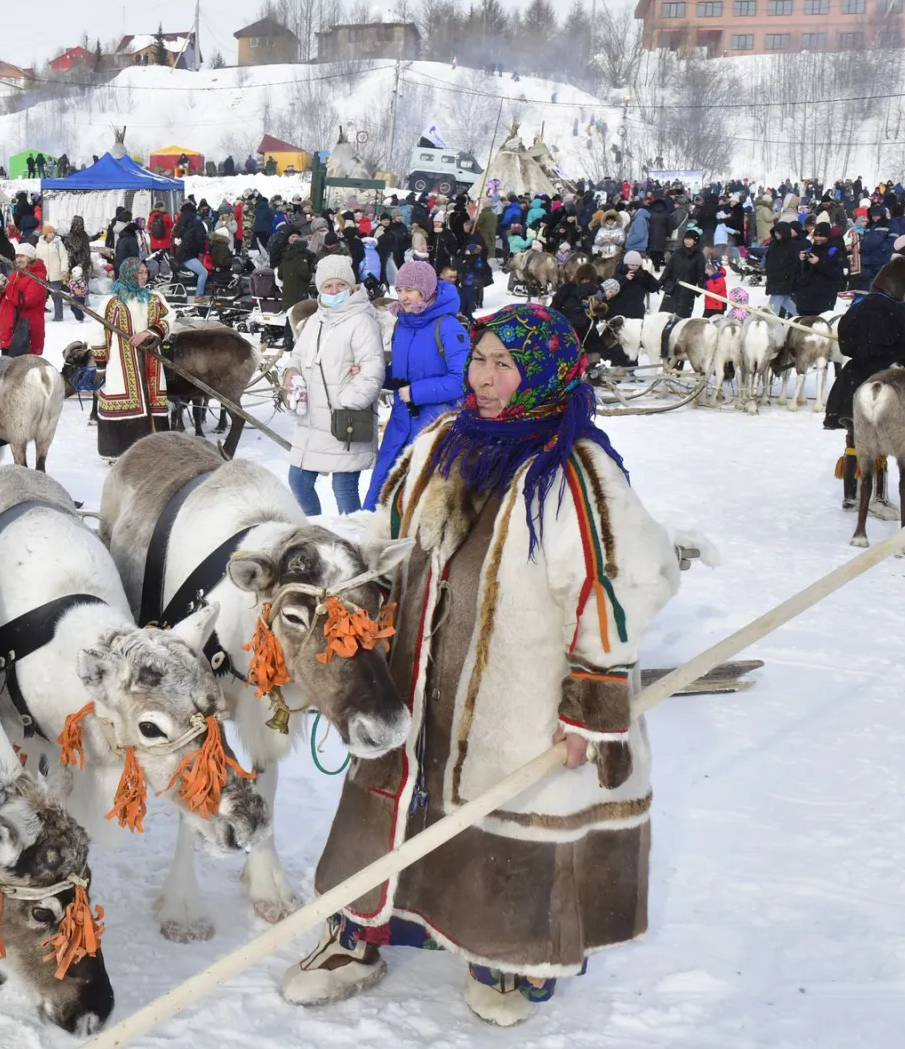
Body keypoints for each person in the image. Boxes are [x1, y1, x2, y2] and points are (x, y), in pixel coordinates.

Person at [284, 304, 675, 1027]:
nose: (485, 378)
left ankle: (505, 954)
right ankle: (358, 933)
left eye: (505, 365)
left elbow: (625, 585)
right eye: (480, 360)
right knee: (390, 800)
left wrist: (588, 708)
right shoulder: (440, 442)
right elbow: (390, 533)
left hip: (516, 700)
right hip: (413, 677)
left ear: (547, 374)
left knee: (500, 823)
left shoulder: (576, 473)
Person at [279, 256, 384, 515]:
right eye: (328, 286)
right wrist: (292, 374)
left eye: (340, 285)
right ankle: (315, 535)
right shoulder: (316, 320)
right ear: (319, 287)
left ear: (350, 286)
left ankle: (352, 541)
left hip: (344, 421)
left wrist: (346, 401)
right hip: (313, 420)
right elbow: (298, 356)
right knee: (299, 481)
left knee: (344, 487)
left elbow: (372, 371)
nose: (334, 291)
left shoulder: (361, 321)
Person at [365, 260, 466, 507]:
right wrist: (371, 374)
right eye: (399, 291)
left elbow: (462, 381)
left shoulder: (448, 326)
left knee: (415, 493)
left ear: (427, 290)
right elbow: (400, 374)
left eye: (410, 290)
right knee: (383, 482)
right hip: (400, 419)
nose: (403, 297)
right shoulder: (403, 323)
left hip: (434, 423)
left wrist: (417, 392)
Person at [827, 260, 905, 509]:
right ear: (897, 284)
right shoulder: (893, 308)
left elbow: (845, 342)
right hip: (883, 380)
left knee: (855, 436)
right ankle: (877, 496)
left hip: (853, 379)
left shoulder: (859, 304)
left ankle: (850, 494)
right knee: (881, 438)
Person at [90, 257, 171, 459]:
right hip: (119, 364)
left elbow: (169, 318)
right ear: (128, 274)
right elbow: (97, 333)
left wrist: (149, 333)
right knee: (123, 399)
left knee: (152, 401)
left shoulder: (155, 298)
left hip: (151, 361)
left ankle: (155, 448)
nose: (142, 277)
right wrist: (100, 366)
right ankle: (119, 451)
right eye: (138, 273)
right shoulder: (112, 302)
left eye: (145, 272)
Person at [0, 243, 49, 357]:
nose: (19, 260)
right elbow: (6, 299)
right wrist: (0, 288)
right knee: (8, 370)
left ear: (30, 258)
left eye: (22, 256)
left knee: (21, 371)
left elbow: (25, 301)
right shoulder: (17, 273)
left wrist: (8, 288)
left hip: (25, 332)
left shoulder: (37, 277)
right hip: (11, 331)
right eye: (17, 256)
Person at [34, 223, 68, 321]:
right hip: (42, 275)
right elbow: (36, 259)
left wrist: (64, 270)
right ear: (45, 234)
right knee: (40, 297)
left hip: (55, 274)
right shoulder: (39, 245)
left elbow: (64, 257)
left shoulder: (58, 243)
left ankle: (59, 316)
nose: (52, 234)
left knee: (56, 296)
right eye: (50, 232)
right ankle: (38, 316)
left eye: (53, 232)